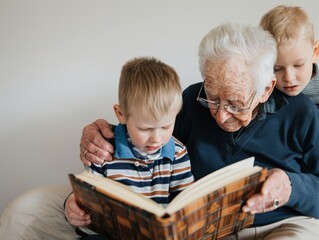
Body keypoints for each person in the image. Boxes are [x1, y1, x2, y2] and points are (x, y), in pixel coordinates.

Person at [1, 22, 319, 240]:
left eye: (236, 103)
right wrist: (101, 136)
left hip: (276, 224)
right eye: (213, 96)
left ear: (266, 89)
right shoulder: (190, 100)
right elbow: (144, 140)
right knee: (26, 212)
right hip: (188, 225)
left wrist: (292, 187)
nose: (221, 114)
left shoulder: (302, 114)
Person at [65, 56, 194, 238]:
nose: (156, 139)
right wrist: (76, 209)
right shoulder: (103, 151)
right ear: (121, 114)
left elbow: (186, 201)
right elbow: (87, 201)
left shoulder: (178, 153)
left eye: (165, 127)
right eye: (145, 128)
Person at [259, 5, 319, 108]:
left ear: (315, 52)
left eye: (298, 65)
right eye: (276, 69)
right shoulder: (261, 91)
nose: (289, 78)